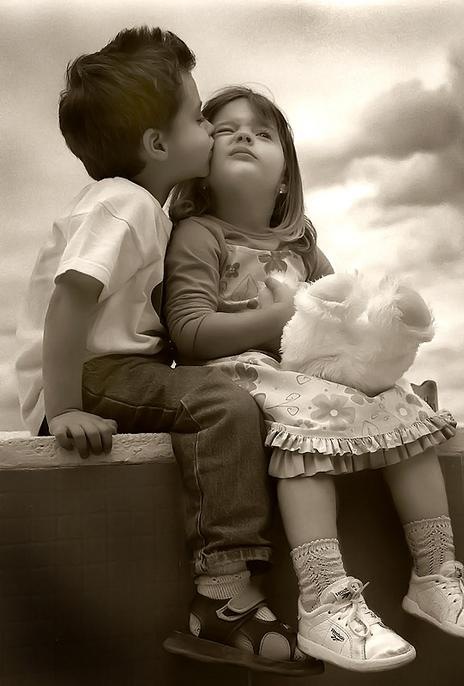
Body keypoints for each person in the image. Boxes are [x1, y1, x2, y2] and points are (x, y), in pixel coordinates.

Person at [14, 28, 320, 676]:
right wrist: (61, 408)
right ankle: (224, 594)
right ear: (158, 144)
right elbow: (69, 299)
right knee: (221, 404)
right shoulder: (124, 206)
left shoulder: (146, 211)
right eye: (200, 118)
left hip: (116, 372)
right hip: (90, 375)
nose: (211, 130)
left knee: (223, 397)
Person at [165, 85, 464, 673]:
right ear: (202, 166)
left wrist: (386, 345)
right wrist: (280, 316)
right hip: (238, 373)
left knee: (404, 409)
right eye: (226, 129)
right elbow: (188, 333)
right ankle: (323, 600)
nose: (244, 136)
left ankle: (435, 573)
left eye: (262, 133)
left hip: (304, 377)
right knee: (310, 420)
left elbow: (344, 323)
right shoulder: (201, 235)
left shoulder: (303, 246)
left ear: (285, 179)